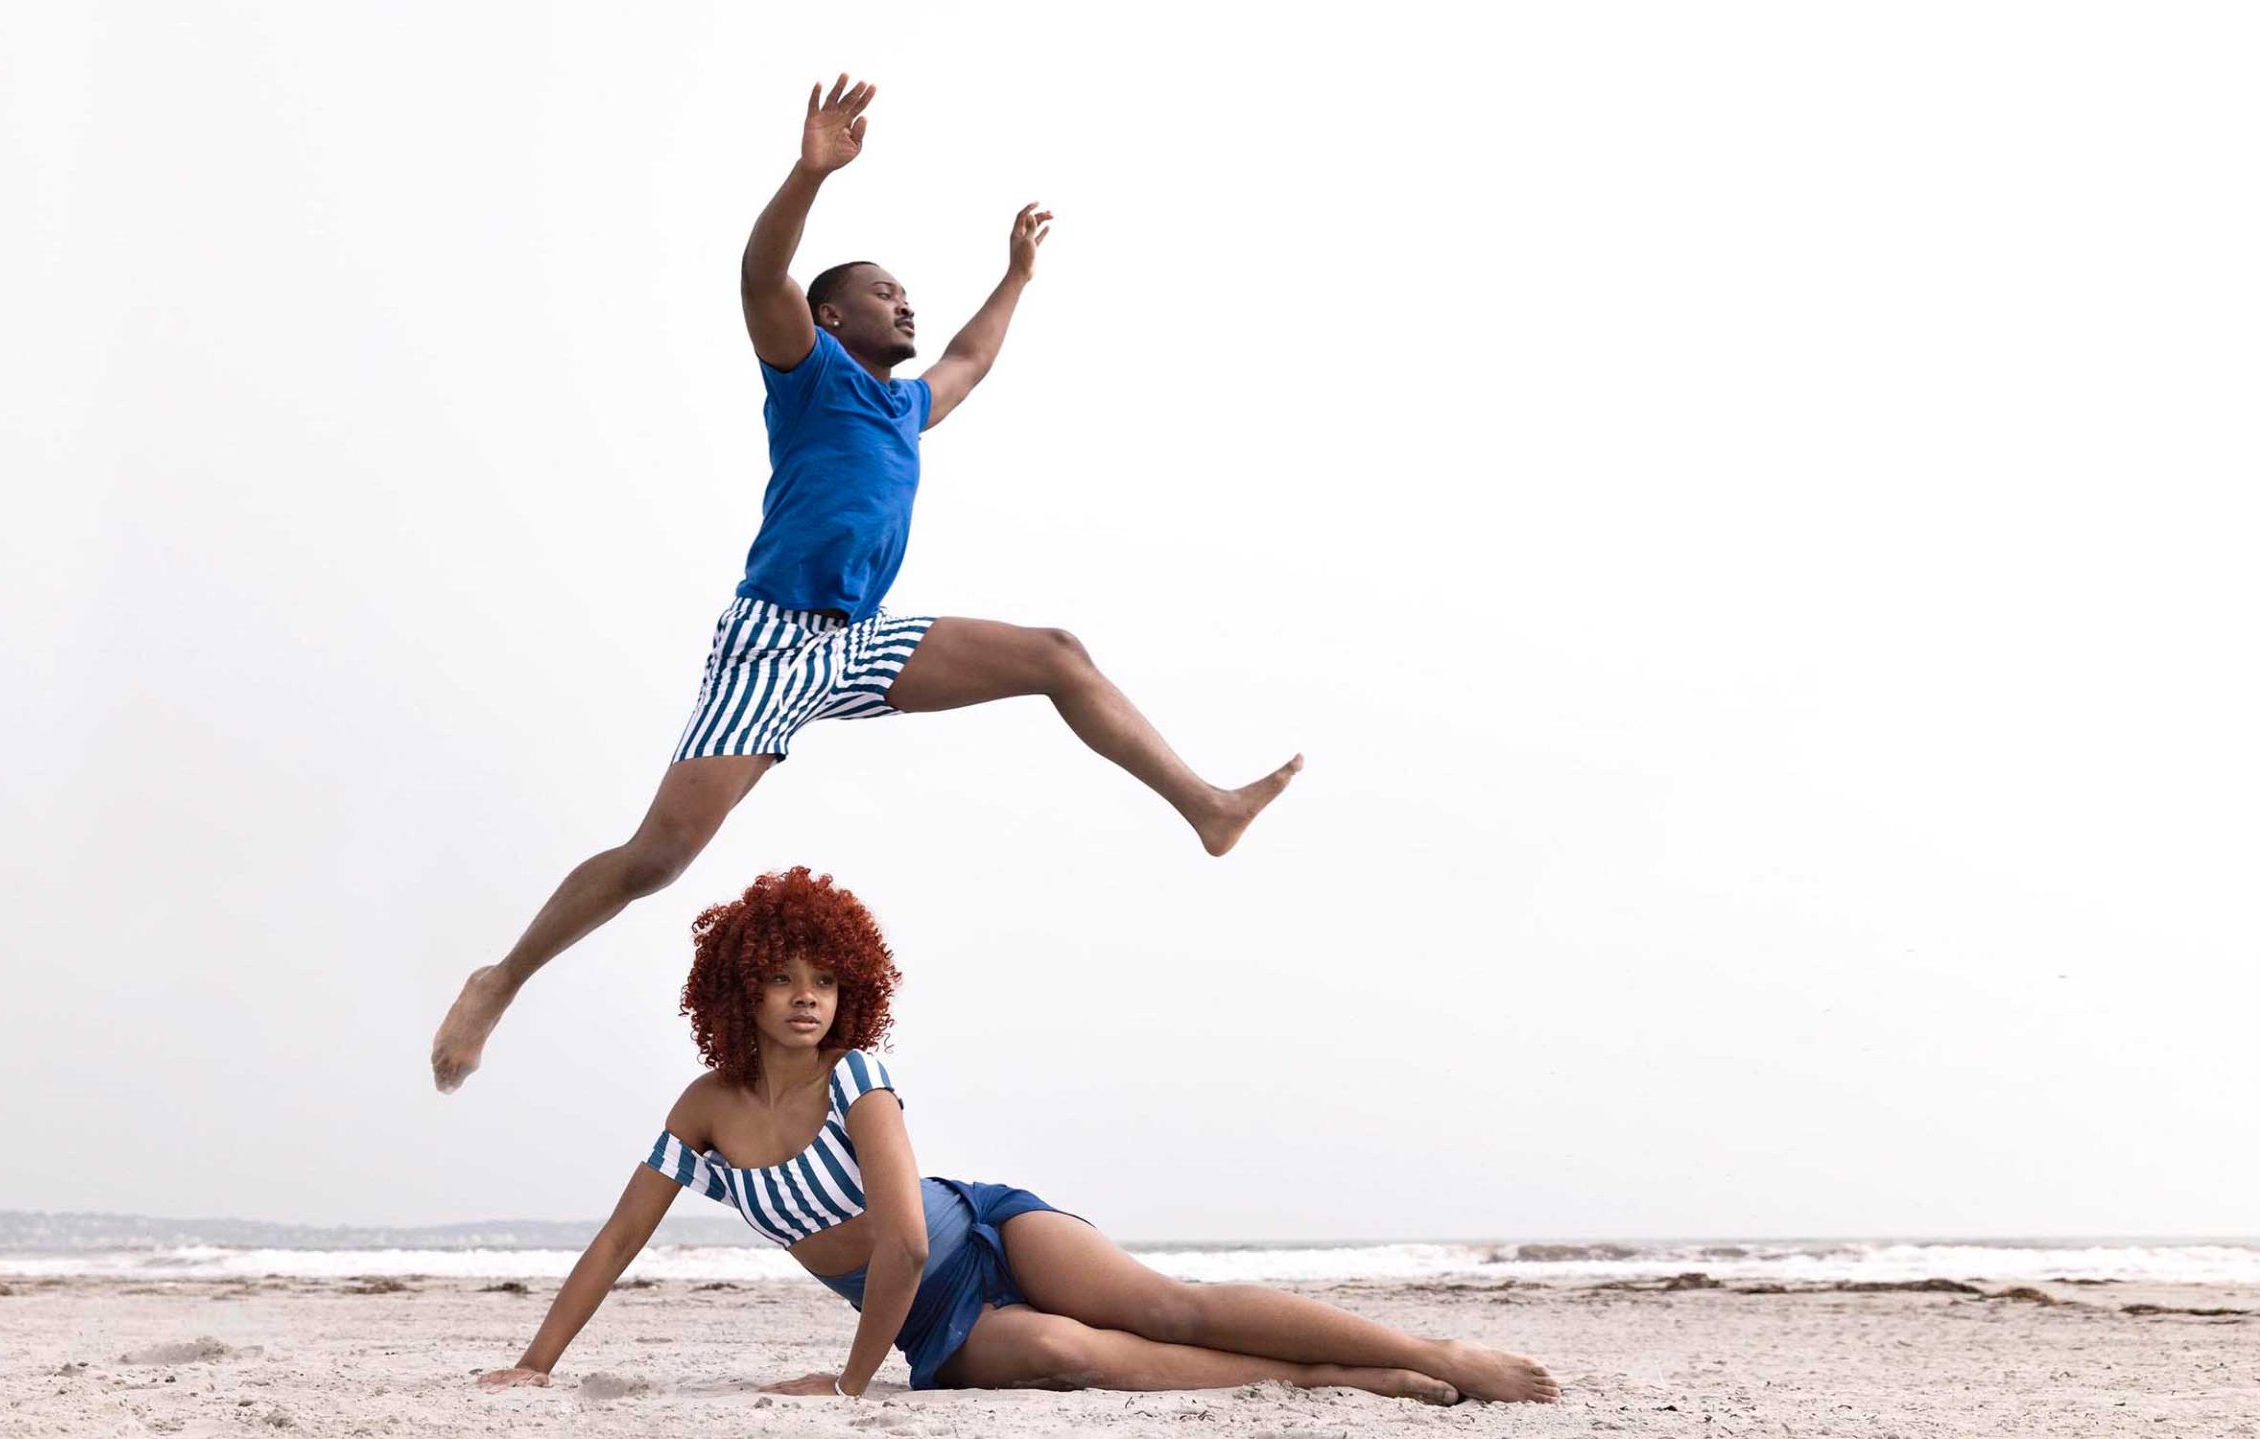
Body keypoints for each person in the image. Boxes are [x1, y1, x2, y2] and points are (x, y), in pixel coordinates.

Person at [430, 76, 1299, 1093]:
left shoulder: (902, 410)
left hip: (857, 637)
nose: (906, 305)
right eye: (886, 292)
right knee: (659, 856)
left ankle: (1205, 805)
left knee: (1058, 654)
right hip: (770, 642)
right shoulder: (808, 372)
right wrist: (809, 173)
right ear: (832, 313)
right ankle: (503, 976)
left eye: (907, 294)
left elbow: (971, 356)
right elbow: (760, 273)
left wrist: (1013, 276)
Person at [474, 868, 1561, 1404]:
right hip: (936, 1319)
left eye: (824, 978)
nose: (806, 997)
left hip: (980, 1228)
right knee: (1061, 1354)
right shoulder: (701, 1111)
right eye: (782, 977)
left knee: (1160, 1303)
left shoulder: (862, 1077)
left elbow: (901, 1235)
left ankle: (1431, 1353)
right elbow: (619, 1237)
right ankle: (1326, 1375)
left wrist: (849, 1387)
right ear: (737, 989)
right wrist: (533, 1362)